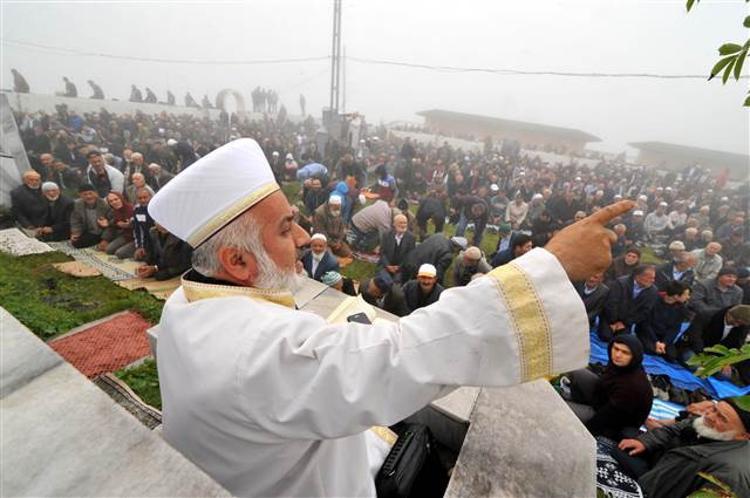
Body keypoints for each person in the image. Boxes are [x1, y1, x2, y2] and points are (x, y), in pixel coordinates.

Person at [147, 138, 627, 498]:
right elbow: (401, 357)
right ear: (237, 262)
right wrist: (550, 269)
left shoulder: (186, 302)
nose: (302, 238)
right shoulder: (255, 352)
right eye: (286, 227)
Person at [615, 398, 750, 498]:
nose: (709, 416)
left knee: (620, 452)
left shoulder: (731, 474)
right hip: (667, 462)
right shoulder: (706, 422)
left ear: (743, 436)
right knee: (628, 435)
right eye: (715, 409)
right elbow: (673, 429)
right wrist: (645, 442)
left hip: (669, 482)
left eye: (723, 419)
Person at [564, 334, 653, 440]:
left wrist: (585, 433)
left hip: (612, 423)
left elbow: (607, 417)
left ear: (634, 357)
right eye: (616, 349)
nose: (618, 355)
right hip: (604, 400)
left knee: (561, 408)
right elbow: (604, 384)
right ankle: (579, 401)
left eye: (625, 353)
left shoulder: (632, 386)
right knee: (576, 370)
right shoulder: (620, 366)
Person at [682, 305, 750, 385]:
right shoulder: (706, 315)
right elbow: (694, 337)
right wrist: (703, 357)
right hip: (694, 349)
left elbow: (737, 346)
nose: (737, 325)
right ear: (729, 314)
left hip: (715, 357)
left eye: (740, 324)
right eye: (737, 322)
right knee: (696, 367)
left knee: (725, 375)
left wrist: (727, 362)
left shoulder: (742, 327)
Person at [598, 265, 659, 342]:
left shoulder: (653, 291)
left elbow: (644, 311)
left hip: (626, 322)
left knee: (622, 340)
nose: (653, 280)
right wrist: (613, 321)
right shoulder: (621, 283)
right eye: (650, 278)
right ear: (639, 276)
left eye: (654, 278)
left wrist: (625, 323)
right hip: (610, 317)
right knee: (605, 336)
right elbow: (611, 303)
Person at [636, 280, 690, 362]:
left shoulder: (681, 309)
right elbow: (645, 323)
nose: (688, 297)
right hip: (648, 333)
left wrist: (664, 343)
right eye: (686, 295)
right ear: (676, 296)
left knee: (672, 356)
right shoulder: (654, 299)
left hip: (663, 337)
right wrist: (656, 341)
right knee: (650, 350)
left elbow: (675, 329)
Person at [69, 184, 112, 249]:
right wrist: (76, 233)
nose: (88, 196)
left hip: (103, 231)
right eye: (85, 194)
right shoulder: (77, 204)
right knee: (76, 243)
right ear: (80, 195)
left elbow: (112, 224)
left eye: (90, 193)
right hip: (90, 231)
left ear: (96, 193)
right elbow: (75, 221)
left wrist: (105, 239)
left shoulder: (105, 204)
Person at [378, 214, 416, 283]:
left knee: (396, 282)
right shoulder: (386, 235)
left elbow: (410, 256)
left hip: (402, 268)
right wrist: (388, 266)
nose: (403, 225)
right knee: (383, 280)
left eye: (405, 223)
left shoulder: (411, 238)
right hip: (386, 266)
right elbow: (382, 252)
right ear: (394, 224)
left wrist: (399, 267)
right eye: (401, 223)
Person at [312, 194, 351, 258]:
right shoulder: (319, 213)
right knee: (329, 258)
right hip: (323, 240)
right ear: (330, 205)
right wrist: (332, 244)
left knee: (347, 253)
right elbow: (320, 232)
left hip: (336, 240)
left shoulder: (338, 209)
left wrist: (339, 241)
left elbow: (342, 227)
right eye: (336, 207)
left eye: (339, 206)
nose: (338, 208)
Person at [104, 192, 135, 259]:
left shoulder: (132, 209)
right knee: (108, 250)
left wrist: (130, 225)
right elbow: (115, 222)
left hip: (135, 237)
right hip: (125, 235)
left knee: (119, 254)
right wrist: (116, 224)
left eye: (116, 199)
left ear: (121, 198)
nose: (114, 202)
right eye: (111, 201)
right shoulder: (115, 210)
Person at [132, 188, 155, 261]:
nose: (143, 200)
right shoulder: (137, 210)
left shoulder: (156, 209)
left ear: (150, 197)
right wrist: (139, 247)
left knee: (149, 260)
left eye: (145, 197)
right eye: (140, 198)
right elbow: (137, 230)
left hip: (156, 241)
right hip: (145, 241)